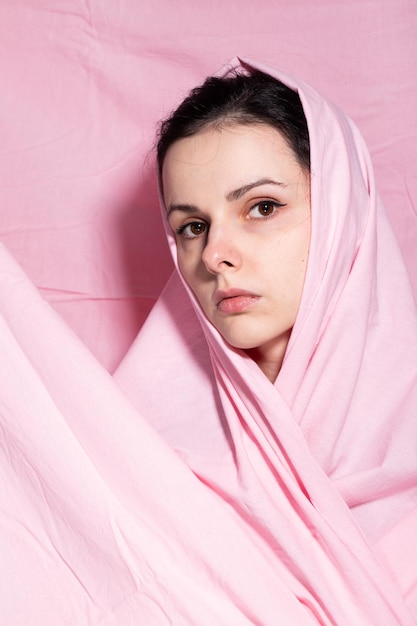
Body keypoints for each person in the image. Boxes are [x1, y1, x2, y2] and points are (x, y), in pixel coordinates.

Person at [116, 57, 417, 622]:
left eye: (262, 207)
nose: (212, 255)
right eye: (192, 226)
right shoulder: (136, 443)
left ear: (340, 213)